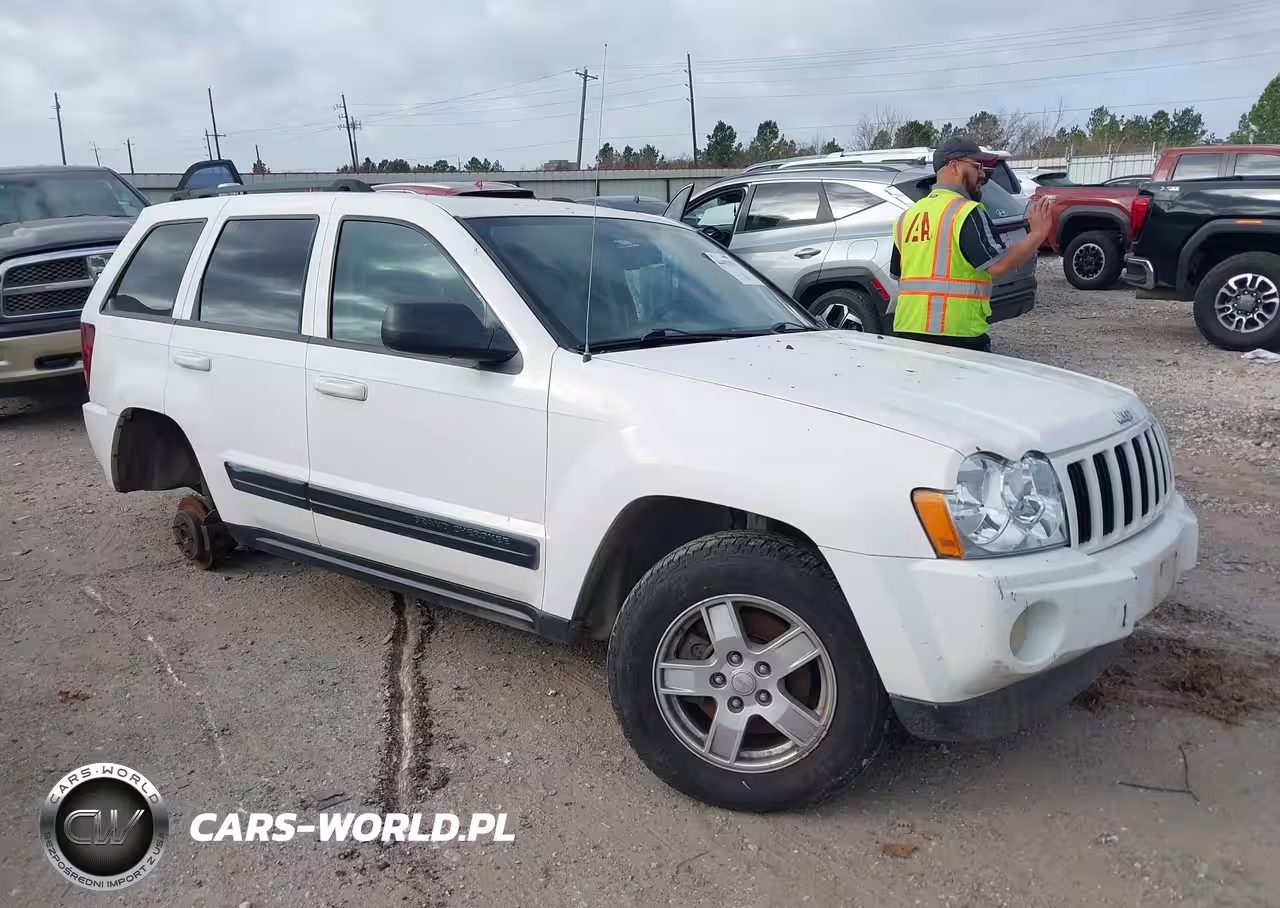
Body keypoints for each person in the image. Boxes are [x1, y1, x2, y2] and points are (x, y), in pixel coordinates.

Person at [889, 136, 1052, 352]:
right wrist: (1036, 235)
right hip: (957, 334)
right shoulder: (966, 211)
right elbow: (999, 266)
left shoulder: (907, 217)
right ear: (954, 166)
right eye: (977, 166)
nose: (982, 174)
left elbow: (901, 276)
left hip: (907, 330)